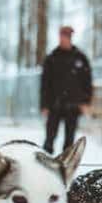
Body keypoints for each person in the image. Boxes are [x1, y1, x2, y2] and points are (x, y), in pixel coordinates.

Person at [40, 26, 93, 154]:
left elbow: (87, 82)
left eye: (67, 36)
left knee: (69, 140)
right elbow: (45, 83)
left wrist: (86, 102)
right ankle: (46, 162)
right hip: (54, 105)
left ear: (71, 38)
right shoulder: (52, 58)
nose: (64, 39)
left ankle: (66, 166)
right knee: (49, 138)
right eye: (62, 36)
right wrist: (44, 105)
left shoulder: (80, 58)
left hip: (73, 106)